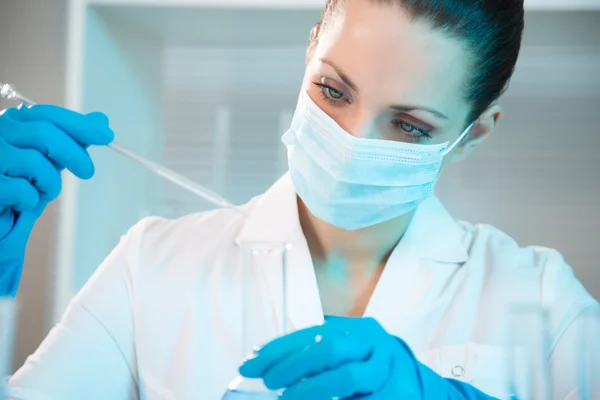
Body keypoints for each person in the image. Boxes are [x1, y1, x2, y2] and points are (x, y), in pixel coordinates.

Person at [0, 0, 598, 398]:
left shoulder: (538, 295)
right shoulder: (152, 264)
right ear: (309, 51)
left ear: (475, 134)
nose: (350, 141)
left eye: (410, 126)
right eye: (333, 91)